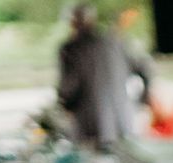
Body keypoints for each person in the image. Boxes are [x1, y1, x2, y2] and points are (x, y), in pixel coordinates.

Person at [57, 4, 154, 146]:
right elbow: (146, 69)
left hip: (89, 127)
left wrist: (65, 105)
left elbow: (68, 88)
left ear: (73, 22)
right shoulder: (116, 42)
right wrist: (142, 100)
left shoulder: (71, 49)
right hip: (124, 122)